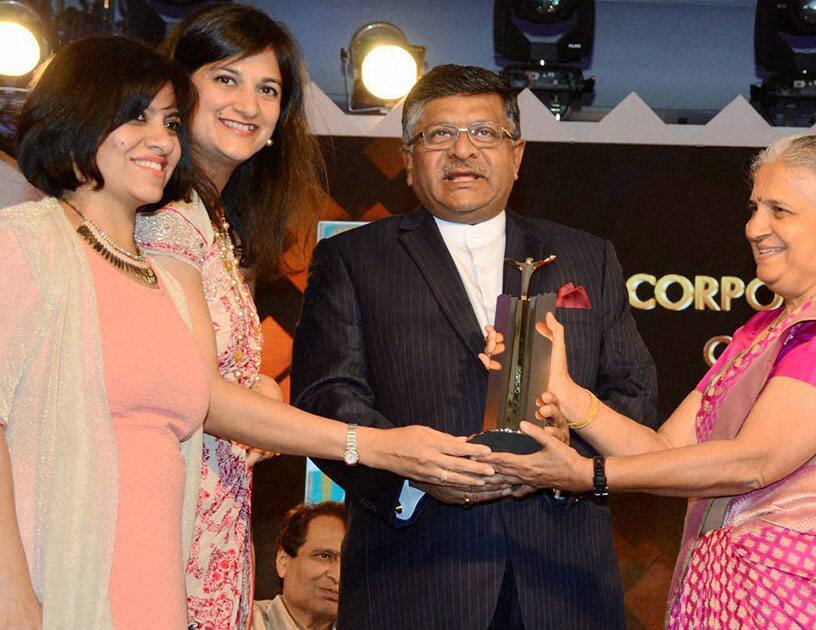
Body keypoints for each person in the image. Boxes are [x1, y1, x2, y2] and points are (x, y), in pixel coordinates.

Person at [0, 36, 492, 630]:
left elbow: (193, 393)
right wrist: (13, 598)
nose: (160, 139)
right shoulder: (29, 242)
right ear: (75, 118)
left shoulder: (168, 272)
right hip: (64, 570)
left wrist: (257, 386)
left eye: (169, 121)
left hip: (169, 567)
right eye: (136, 117)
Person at [483, 134, 816, 628]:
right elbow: (659, 451)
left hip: (812, 601)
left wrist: (589, 476)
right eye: (755, 207)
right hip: (736, 593)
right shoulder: (761, 331)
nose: (755, 227)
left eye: (780, 210)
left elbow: (754, 462)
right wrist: (568, 394)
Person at [291, 64, 658, 629]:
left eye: (484, 133)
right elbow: (326, 397)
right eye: (439, 135)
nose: (463, 150)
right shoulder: (353, 259)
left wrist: (571, 456)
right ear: (409, 159)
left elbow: (632, 391)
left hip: (563, 580)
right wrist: (414, 475)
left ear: (517, 154)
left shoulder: (587, 257)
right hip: (414, 574)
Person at [134, 5, 326, 626]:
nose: (248, 102)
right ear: (176, 88)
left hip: (216, 513)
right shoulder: (159, 217)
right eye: (225, 77)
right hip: (165, 519)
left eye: (268, 88)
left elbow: (217, 375)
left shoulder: (216, 224)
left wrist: (263, 389)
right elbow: (196, 394)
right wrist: (363, 445)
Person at [252, 502, 345, 630]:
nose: (338, 576)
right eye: (324, 556)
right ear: (283, 561)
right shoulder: (235, 620)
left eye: (348, 564)